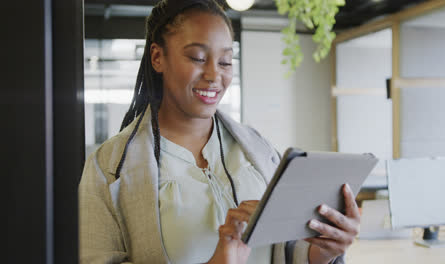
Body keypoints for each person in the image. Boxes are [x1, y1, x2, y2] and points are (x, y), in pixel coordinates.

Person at [79, 0, 360, 263]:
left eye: (225, 61)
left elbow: (287, 249)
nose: (214, 75)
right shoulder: (108, 167)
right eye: (198, 57)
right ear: (157, 57)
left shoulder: (257, 150)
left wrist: (323, 250)